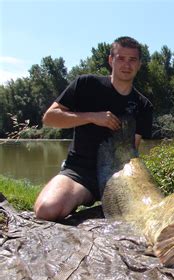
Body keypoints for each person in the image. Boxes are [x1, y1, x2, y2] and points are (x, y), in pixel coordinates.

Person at [34, 36, 153, 221]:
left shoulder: (144, 106)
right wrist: (92, 117)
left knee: (149, 218)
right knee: (46, 210)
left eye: (132, 60)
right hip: (80, 171)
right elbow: (50, 118)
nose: (126, 65)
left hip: (119, 177)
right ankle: (79, 196)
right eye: (121, 58)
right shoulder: (86, 84)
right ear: (110, 60)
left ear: (139, 64)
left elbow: (133, 150)